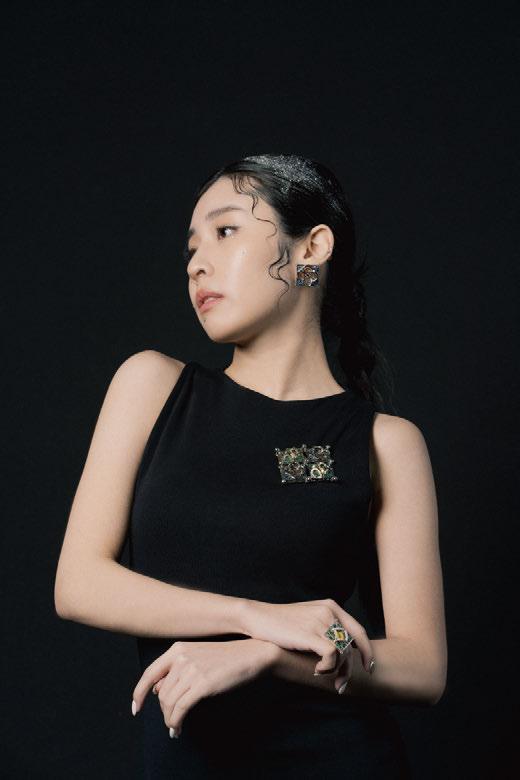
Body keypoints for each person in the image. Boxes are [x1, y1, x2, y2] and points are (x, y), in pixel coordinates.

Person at [54, 153, 447, 778]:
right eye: (191, 247)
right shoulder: (152, 387)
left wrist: (269, 654)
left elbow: (421, 665)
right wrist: (251, 618)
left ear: (311, 248)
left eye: (225, 230)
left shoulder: (383, 443)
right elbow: (79, 583)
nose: (196, 263)